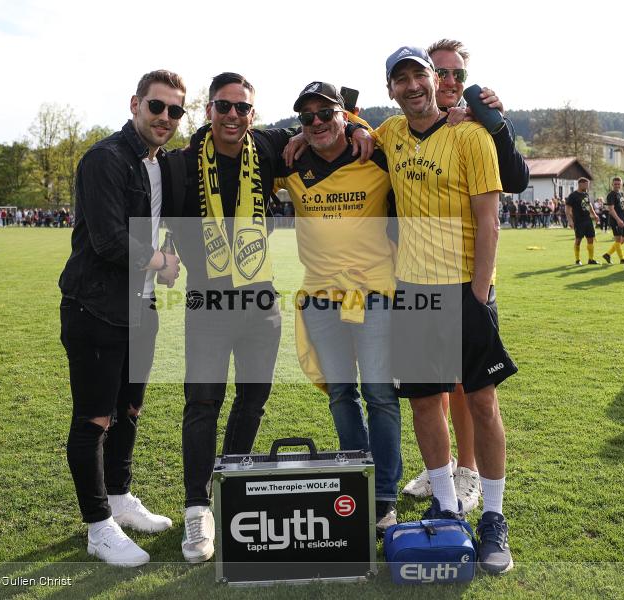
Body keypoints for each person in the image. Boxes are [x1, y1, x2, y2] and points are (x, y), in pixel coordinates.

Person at [165, 71, 373, 563]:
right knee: (202, 403)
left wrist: (361, 127)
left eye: (242, 108)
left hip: (260, 299)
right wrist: (162, 251)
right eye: (223, 106)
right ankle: (197, 510)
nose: (232, 115)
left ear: (253, 114)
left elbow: (329, 125)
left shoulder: (271, 144)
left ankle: (227, 483)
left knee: (253, 401)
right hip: (207, 300)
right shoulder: (180, 163)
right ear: (208, 110)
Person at [378, 46, 517, 574]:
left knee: (481, 405)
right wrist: (307, 133)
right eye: (401, 79)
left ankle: (494, 517)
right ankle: (444, 502)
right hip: (413, 291)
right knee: (423, 403)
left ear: (436, 80)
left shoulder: (470, 135)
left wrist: (479, 295)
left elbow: (490, 221)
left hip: (465, 288)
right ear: (390, 89)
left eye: (420, 75)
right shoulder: (388, 133)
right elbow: (343, 128)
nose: (412, 86)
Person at [57, 70, 185, 567]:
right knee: (95, 418)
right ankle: (97, 526)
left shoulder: (163, 161)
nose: (166, 119)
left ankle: (119, 497)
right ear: (136, 104)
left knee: (129, 411)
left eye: (175, 111)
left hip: (141, 307)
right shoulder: (105, 159)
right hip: (96, 307)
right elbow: (111, 241)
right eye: (158, 107)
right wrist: (163, 262)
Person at [401, 39, 529, 518]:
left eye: (457, 74)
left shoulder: (479, 125)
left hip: (469, 278)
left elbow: (514, 179)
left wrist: (498, 123)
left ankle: (469, 471)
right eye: (442, 72)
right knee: (432, 391)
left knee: (469, 389)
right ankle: (446, 466)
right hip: (419, 280)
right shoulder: (403, 129)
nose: (450, 81)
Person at [278, 81, 402, 534]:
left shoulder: (376, 153)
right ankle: (358, 473)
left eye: (325, 113)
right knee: (340, 394)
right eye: (306, 117)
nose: (316, 123)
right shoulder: (290, 161)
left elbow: (406, 138)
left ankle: (385, 493)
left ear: (342, 115)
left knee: (380, 394)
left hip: (375, 294)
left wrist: (363, 125)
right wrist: (294, 138)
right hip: (321, 299)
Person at [565, 178, 599, 265]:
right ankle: (577, 260)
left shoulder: (586, 194)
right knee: (578, 240)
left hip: (588, 220)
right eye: (586, 185)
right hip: (578, 221)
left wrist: (594, 215)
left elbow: (589, 204)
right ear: (580, 184)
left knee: (591, 239)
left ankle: (591, 259)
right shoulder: (573, 195)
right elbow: (567, 209)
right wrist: (570, 221)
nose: (588, 186)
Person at [603, 177, 624, 264]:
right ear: (612, 184)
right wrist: (618, 220)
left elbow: (623, 206)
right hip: (616, 220)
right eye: (615, 184)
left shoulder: (621, 194)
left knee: (623, 240)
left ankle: (608, 254)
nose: (617, 185)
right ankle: (622, 259)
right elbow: (611, 209)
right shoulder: (611, 195)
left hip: (623, 219)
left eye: (619, 184)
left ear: (621, 184)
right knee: (618, 240)